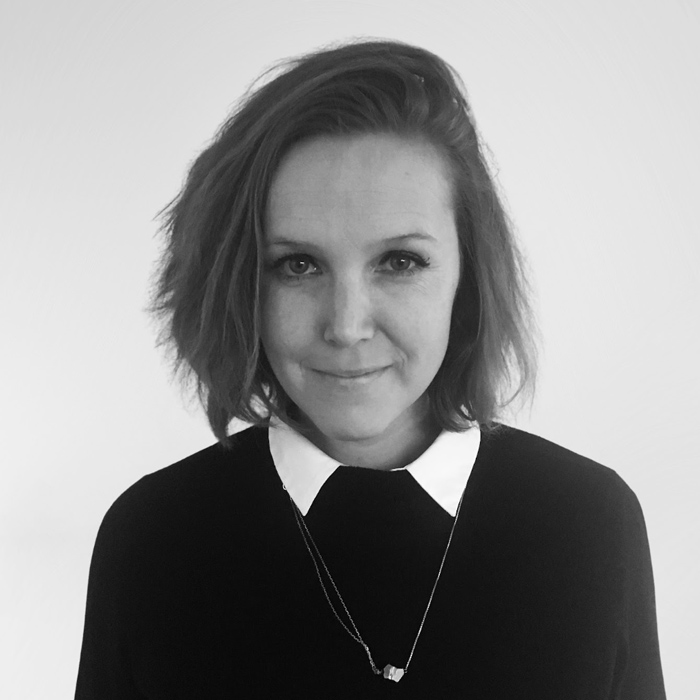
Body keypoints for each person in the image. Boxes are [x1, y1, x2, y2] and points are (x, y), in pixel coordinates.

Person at [74, 39, 666, 698]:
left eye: (399, 262)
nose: (347, 325)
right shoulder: (153, 540)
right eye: (298, 265)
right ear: (239, 282)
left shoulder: (590, 524)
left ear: (467, 277)